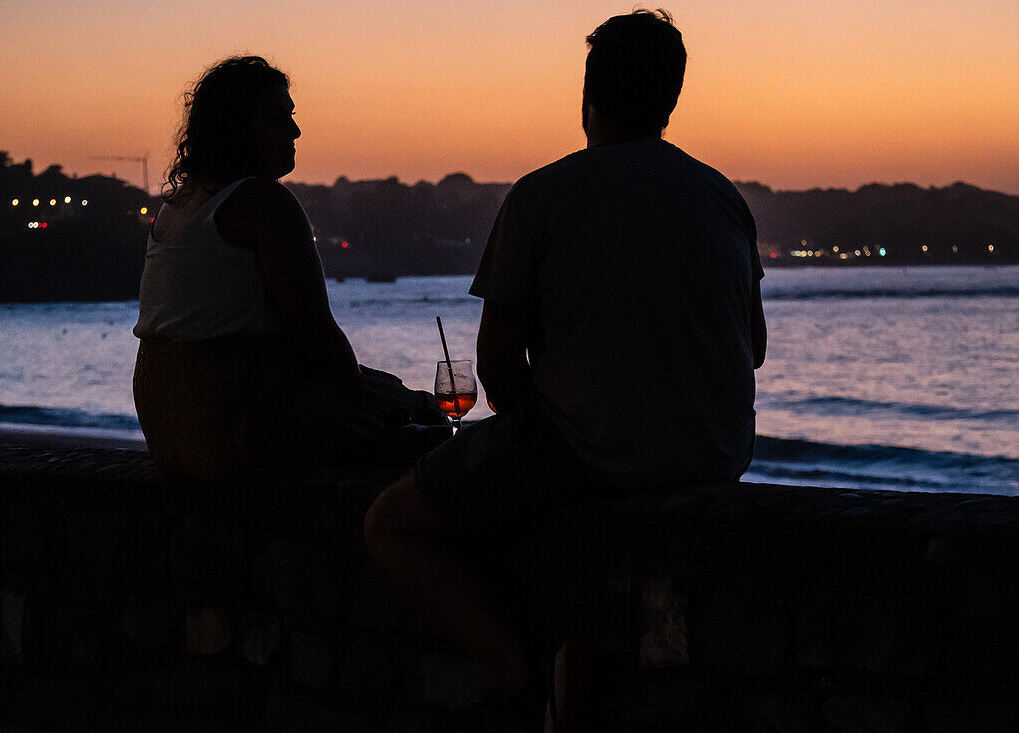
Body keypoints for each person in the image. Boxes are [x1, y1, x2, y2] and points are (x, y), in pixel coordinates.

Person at [364, 9, 766, 731]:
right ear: (670, 101)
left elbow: (495, 364)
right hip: (717, 454)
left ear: (588, 96)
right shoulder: (724, 198)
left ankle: (524, 679)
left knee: (389, 523)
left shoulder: (542, 196)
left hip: (592, 457)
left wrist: (533, 433)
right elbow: (753, 348)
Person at [133, 56, 444, 483]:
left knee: (388, 397)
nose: (295, 132)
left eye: (291, 117)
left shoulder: (174, 209)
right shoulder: (262, 202)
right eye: (278, 119)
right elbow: (318, 337)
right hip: (239, 431)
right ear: (237, 129)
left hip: (173, 432)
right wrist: (365, 403)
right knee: (426, 413)